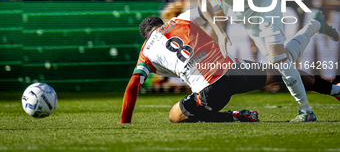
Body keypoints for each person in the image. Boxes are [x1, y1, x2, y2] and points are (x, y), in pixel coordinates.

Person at [192, 0, 340, 122]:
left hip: (266, 2)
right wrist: (219, 31)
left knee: (278, 59)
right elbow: (204, 5)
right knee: (280, 63)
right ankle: (315, 27)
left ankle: (306, 111)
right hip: (245, 15)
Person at [119, 7, 340, 124]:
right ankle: (334, 89)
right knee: (280, 70)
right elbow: (213, 7)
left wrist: (125, 120)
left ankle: (234, 116)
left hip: (210, 89)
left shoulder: (146, 50)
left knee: (175, 116)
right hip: (232, 68)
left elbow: (133, 85)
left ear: (146, 37)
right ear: (161, 23)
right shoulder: (181, 18)